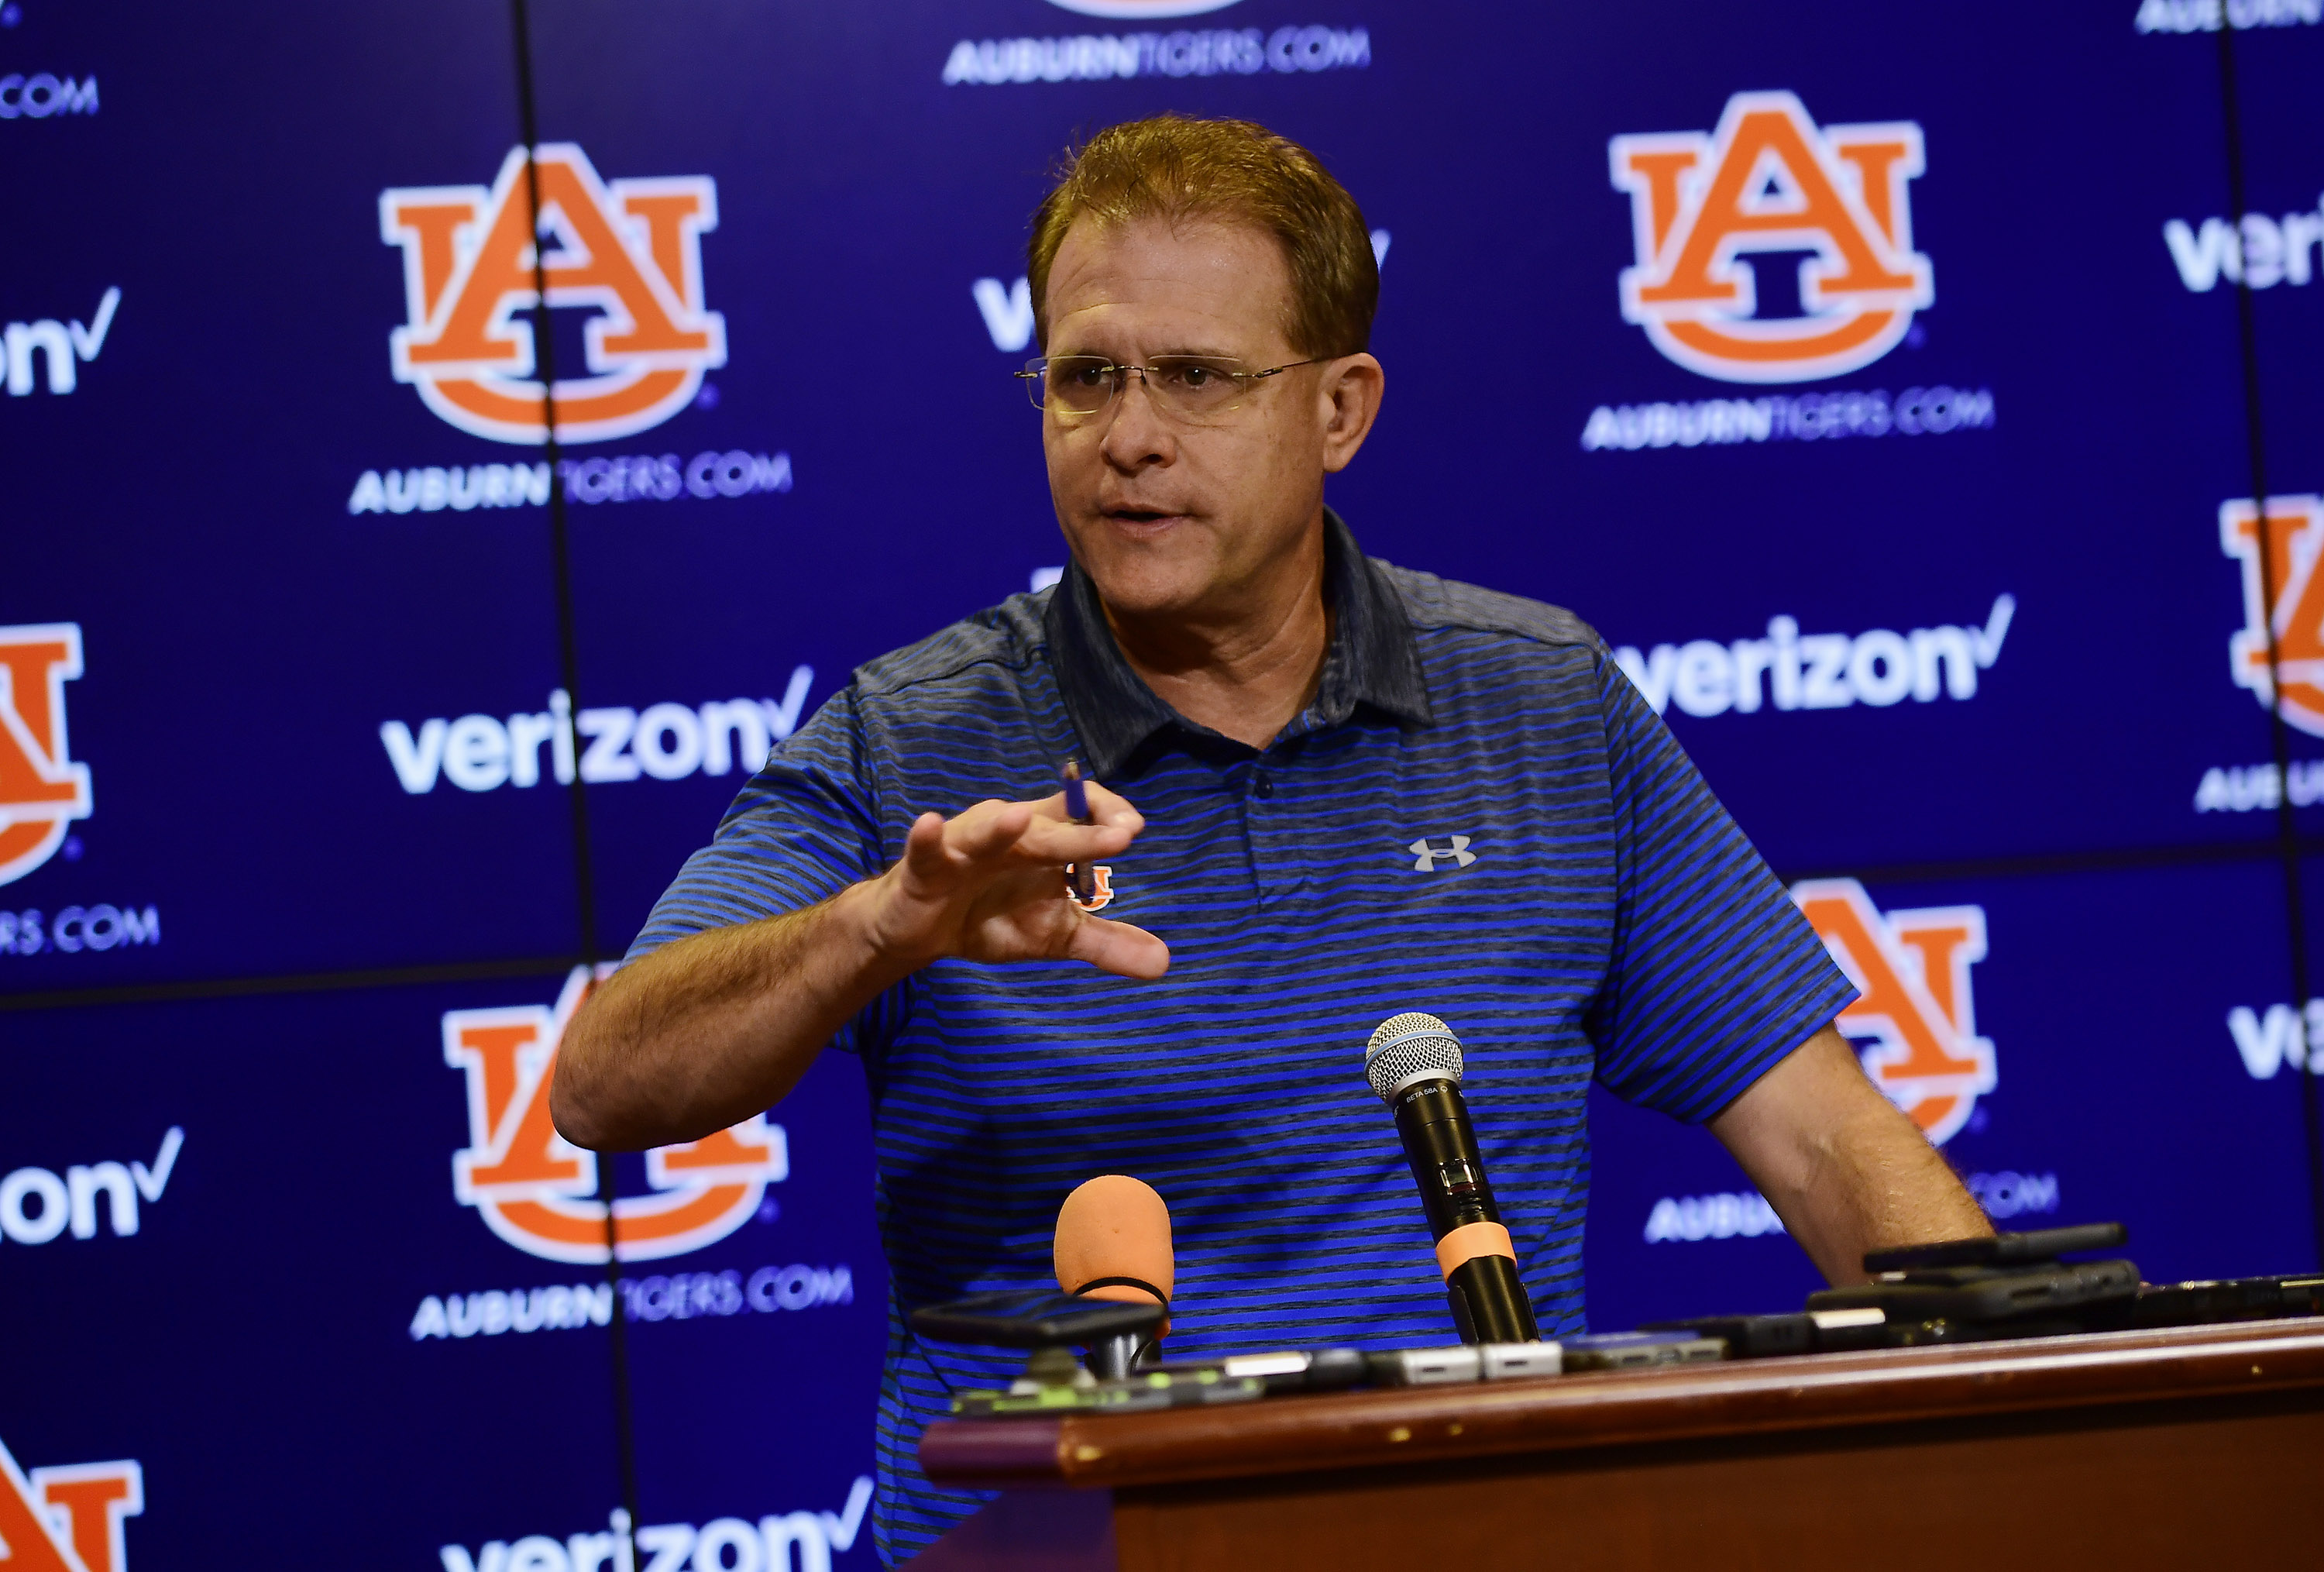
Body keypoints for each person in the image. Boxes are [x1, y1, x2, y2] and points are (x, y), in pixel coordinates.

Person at [551, 114, 1989, 1564]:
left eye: (1196, 377)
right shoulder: (909, 746)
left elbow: (1820, 1138)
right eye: (1085, 377)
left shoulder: (1541, 705)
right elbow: (605, 1085)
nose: (1128, 434)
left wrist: (2017, 1416)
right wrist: (878, 929)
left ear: (1341, 409)